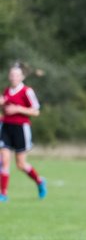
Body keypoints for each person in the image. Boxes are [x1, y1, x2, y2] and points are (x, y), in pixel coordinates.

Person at [0, 64, 48, 201]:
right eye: (12, 75)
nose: (14, 77)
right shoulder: (6, 91)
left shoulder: (27, 91)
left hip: (21, 129)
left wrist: (18, 109)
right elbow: (6, 110)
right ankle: (3, 193)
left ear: (22, 77)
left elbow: (36, 111)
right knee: (4, 160)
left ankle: (39, 181)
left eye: (16, 75)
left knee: (20, 164)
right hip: (6, 128)